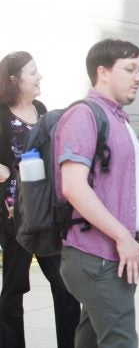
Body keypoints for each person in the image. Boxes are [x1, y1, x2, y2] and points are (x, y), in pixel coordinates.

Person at [55, 39, 139, 348]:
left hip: (112, 255)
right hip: (98, 256)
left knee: (92, 339)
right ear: (103, 72)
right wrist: (123, 237)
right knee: (119, 341)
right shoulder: (84, 115)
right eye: (130, 69)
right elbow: (73, 186)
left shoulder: (117, 117)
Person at [0, 51, 80, 348]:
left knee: (64, 287)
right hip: (13, 215)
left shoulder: (42, 110)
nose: (39, 77)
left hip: (45, 214)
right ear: (14, 79)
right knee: (14, 288)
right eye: (32, 72)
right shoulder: (1, 114)